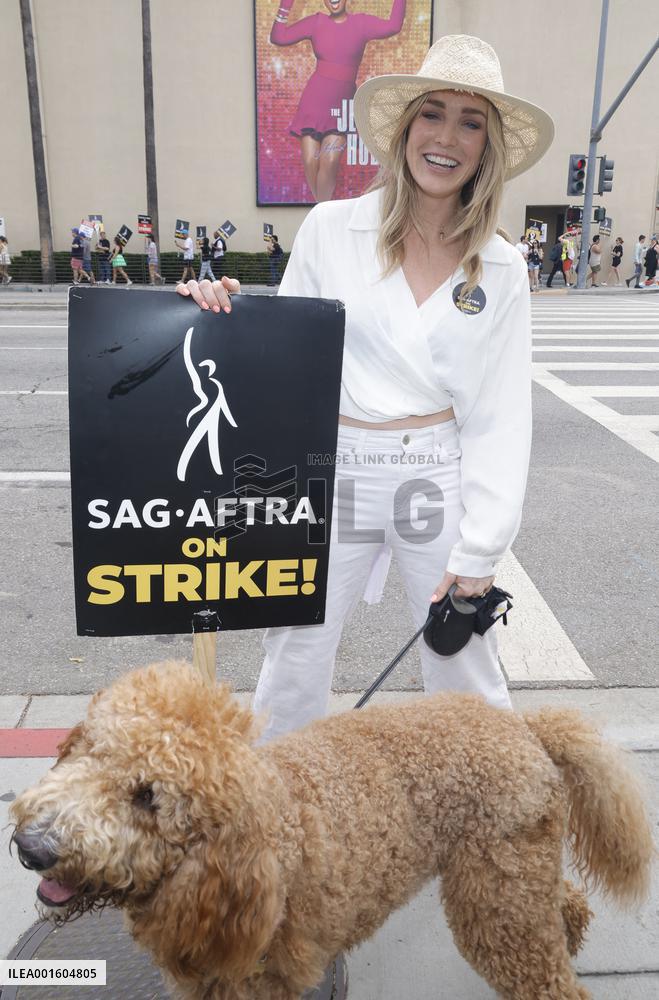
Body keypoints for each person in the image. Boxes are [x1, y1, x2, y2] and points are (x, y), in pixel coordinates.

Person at [176, 34, 554, 740]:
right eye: (432, 114)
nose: (447, 137)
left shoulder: (501, 266)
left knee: (462, 658)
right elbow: (279, 360)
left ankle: (495, 825)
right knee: (293, 655)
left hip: (433, 474)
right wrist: (222, 316)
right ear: (405, 127)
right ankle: (273, 819)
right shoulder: (329, 229)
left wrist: (480, 552)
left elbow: (500, 416)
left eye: (471, 122)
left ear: (488, 146)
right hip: (332, 470)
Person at [270, 0, 406, 202]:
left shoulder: (361, 24)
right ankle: (321, 211)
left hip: (342, 106)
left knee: (330, 161)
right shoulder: (316, 22)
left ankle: (320, 211)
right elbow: (278, 37)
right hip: (313, 102)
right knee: (310, 160)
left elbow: (394, 25)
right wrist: (285, 5)